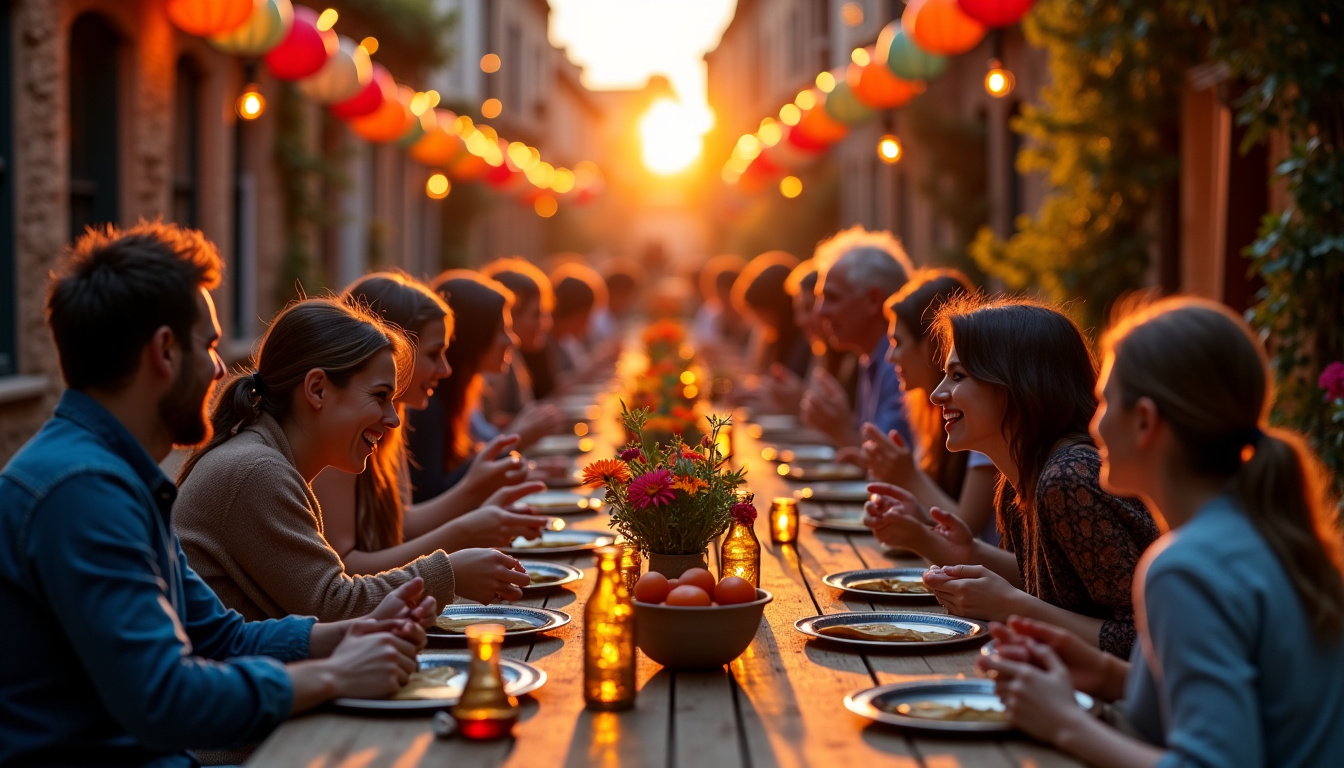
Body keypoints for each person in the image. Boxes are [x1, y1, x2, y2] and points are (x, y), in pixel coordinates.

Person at [0, 222, 431, 765]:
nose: (221, 368)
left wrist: (352, 634)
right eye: (207, 344)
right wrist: (333, 675)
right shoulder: (82, 491)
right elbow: (164, 697)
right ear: (164, 351)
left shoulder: (115, 475)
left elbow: (221, 638)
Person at [979, 297, 1344, 767]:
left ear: (1145, 421)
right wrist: (1107, 675)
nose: (1093, 423)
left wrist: (1064, 723)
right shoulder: (1271, 531)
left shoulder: (1186, 568)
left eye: (1105, 401)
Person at [175, 297, 529, 621]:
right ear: (317, 389)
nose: (394, 419)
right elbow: (335, 605)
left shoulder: (267, 460)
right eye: (379, 396)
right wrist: (448, 573)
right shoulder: (257, 470)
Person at [864, 296, 1159, 657]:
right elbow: (1055, 587)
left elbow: (1144, 641)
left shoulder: (1068, 480)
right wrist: (968, 552)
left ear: (1015, 384)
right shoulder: (1018, 479)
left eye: (958, 376)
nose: (938, 394)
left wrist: (1010, 606)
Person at [311, 272, 547, 580]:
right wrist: (464, 531)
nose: (446, 369)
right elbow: (345, 569)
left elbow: (402, 522)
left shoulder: (393, 415)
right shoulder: (341, 431)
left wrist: (477, 498)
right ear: (393, 353)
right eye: (435, 354)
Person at [856, 269, 998, 540]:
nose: (889, 357)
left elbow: (965, 528)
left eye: (898, 342)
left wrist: (908, 476)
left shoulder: (983, 413)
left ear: (934, 347)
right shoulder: (925, 408)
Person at [409, 271, 557, 502]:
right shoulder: (427, 404)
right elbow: (432, 494)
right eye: (501, 331)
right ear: (473, 336)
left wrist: (526, 467)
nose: (513, 340)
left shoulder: (467, 391)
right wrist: (513, 442)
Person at [804, 226, 914, 447]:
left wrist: (841, 432)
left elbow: (887, 459)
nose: (820, 311)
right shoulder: (870, 357)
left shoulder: (898, 367)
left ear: (873, 300)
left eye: (832, 297)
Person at [731, 251, 808, 377]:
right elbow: (756, 370)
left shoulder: (802, 344)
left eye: (760, 313)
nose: (757, 320)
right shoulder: (771, 335)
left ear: (779, 308)